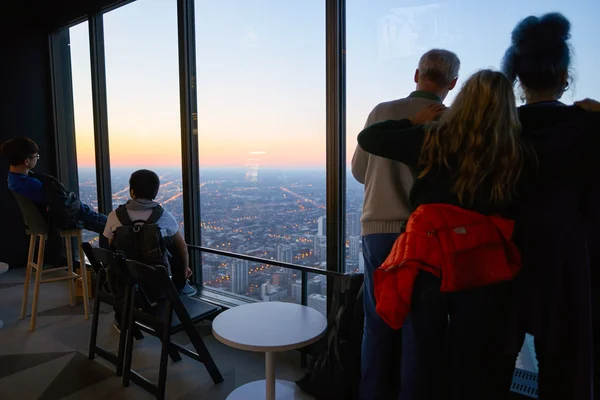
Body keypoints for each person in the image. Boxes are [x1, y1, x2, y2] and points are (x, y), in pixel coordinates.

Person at [356, 69, 525, 400]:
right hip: (480, 261)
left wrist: (414, 121)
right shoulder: (514, 152)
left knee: (421, 347)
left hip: (429, 257)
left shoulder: (433, 139)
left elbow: (370, 139)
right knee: (470, 351)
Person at [498, 13, 600, 400]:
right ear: (565, 77)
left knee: (494, 357)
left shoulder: (500, 130)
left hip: (503, 248)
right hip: (568, 256)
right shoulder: (588, 127)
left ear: (519, 79)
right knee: (564, 363)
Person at [351, 48, 460, 400]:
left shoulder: (383, 112)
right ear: (452, 83)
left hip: (379, 229)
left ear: (417, 75)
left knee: (377, 323)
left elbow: (358, 170)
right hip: (427, 236)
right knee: (420, 328)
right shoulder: (453, 121)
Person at [103, 169, 196, 330]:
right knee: (173, 243)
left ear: (131, 191)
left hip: (123, 281)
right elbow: (183, 247)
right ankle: (181, 287)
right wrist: (185, 268)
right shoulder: (164, 216)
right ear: (155, 192)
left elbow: (110, 242)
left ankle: (121, 318)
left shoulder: (114, 215)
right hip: (156, 284)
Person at [1, 136, 108, 258]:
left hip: (41, 222)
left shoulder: (13, 179)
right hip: (58, 221)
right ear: (26, 161)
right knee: (108, 225)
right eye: (36, 156)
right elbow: (61, 205)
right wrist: (75, 200)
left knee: (102, 221)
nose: (37, 159)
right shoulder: (30, 184)